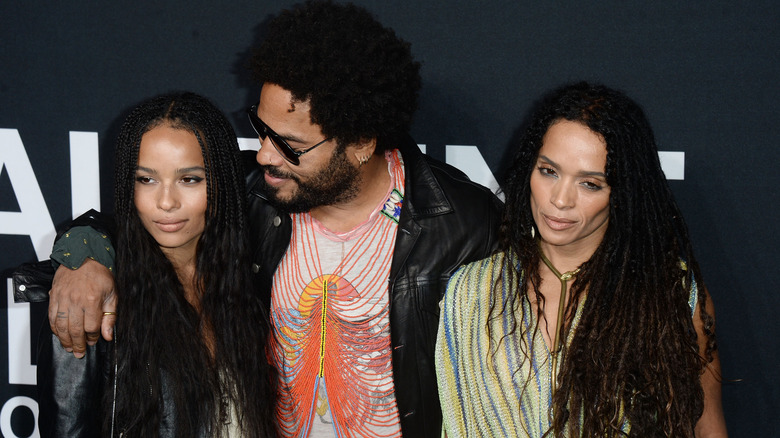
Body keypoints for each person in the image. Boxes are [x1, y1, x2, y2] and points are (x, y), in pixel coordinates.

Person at [45, 1, 503, 436]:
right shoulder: (255, 198)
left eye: (290, 144)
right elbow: (146, 220)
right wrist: (83, 254)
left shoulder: (465, 224)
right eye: (261, 130)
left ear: (361, 142)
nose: (264, 154)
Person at [435, 82, 727, 437]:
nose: (560, 200)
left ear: (621, 193)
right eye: (548, 171)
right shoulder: (472, 291)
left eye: (590, 184)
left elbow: (707, 426)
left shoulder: (673, 296)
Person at [33, 92, 276, 437]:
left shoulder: (251, 278)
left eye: (190, 179)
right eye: (146, 179)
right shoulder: (89, 299)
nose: (166, 202)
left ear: (223, 182)